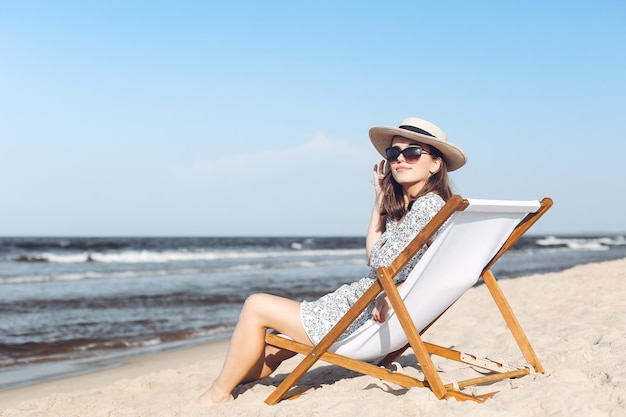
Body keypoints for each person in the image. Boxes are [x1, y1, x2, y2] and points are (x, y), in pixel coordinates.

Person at [197, 117, 467, 406]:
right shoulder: (425, 207)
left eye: (412, 152)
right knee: (280, 341)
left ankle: (219, 393)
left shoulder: (428, 207)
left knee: (256, 305)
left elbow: (377, 260)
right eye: (393, 154)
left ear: (436, 164)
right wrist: (379, 203)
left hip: (357, 317)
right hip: (363, 308)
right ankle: (234, 379)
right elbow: (381, 260)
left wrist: (392, 291)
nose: (400, 159)